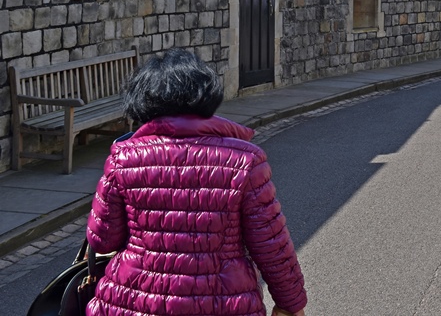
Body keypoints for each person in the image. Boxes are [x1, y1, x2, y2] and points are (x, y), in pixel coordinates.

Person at [86, 48, 307, 316]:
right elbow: (272, 245)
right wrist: (291, 304)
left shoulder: (124, 158)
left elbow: (103, 240)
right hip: (224, 304)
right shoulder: (246, 160)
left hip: (134, 302)